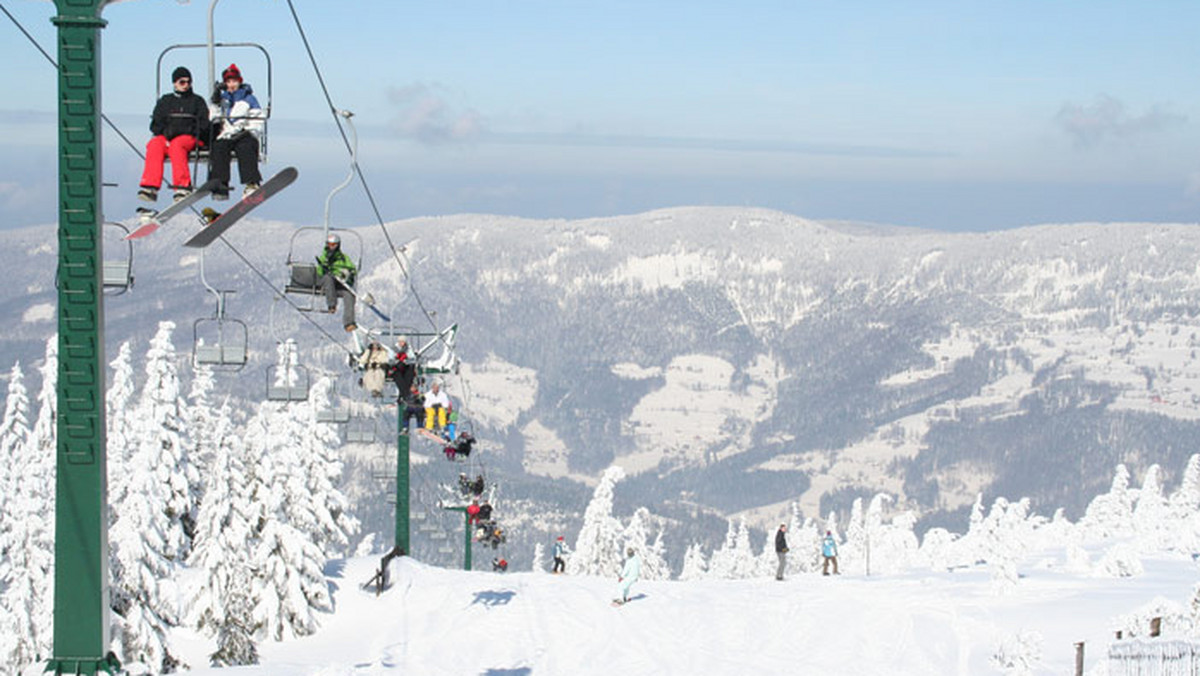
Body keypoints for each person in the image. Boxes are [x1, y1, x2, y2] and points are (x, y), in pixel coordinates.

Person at [138, 66, 210, 203]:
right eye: (182, 82)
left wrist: (186, 130)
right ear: (175, 83)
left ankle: (182, 185)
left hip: (191, 138)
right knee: (155, 144)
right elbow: (156, 123)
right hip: (168, 137)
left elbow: (203, 124)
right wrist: (165, 133)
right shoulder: (165, 101)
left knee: (177, 145)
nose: (186, 85)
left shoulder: (197, 101)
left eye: (188, 82)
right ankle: (150, 185)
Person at [207, 63, 264, 200]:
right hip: (227, 134)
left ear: (239, 81)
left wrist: (251, 131)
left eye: (234, 81)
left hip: (244, 133)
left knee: (246, 148)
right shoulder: (223, 100)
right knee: (219, 147)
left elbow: (258, 119)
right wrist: (215, 101)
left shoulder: (249, 99)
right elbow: (212, 118)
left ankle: (251, 183)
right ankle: (221, 184)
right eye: (228, 82)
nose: (231, 84)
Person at [316, 234, 357, 331]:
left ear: (338, 245)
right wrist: (324, 266)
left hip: (340, 285)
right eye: (329, 244)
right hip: (329, 286)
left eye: (334, 245)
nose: (331, 247)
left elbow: (352, 269)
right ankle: (332, 305)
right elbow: (319, 272)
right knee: (328, 278)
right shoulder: (324, 257)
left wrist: (347, 273)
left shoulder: (344, 258)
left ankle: (349, 322)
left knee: (349, 294)